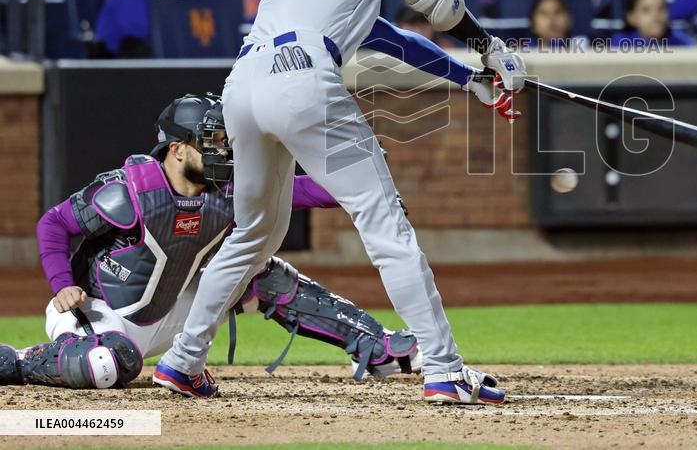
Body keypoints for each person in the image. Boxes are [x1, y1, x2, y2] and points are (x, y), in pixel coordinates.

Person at [154, 0, 527, 403]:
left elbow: (389, 38)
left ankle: (183, 361)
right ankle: (444, 368)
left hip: (242, 87)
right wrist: (488, 45)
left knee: (252, 234)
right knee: (384, 223)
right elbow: (436, 1)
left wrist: (470, 78)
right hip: (303, 77)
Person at [0, 94, 421, 391]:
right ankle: (18, 361)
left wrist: (361, 181)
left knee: (259, 270)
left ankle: (378, 347)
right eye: (212, 142)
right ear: (178, 150)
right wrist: (60, 284)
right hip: (100, 315)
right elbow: (54, 224)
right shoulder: (128, 191)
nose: (224, 151)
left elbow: (301, 190)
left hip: (172, 315)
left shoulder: (227, 189)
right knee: (108, 365)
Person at [612, 0, 696, 48]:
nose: (655, 15)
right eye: (646, 10)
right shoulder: (620, 43)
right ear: (632, 18)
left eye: (661, 8)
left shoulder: (682, 43)